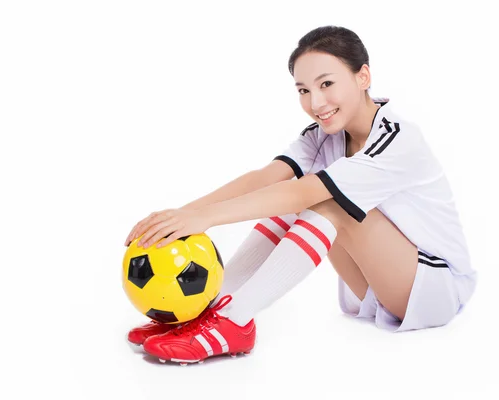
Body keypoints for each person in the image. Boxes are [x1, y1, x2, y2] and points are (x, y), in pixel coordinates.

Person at [124, 25, 478, 365]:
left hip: (434, 286)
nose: (315, 101)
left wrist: (206, 218)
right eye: (303, 90)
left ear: (363, 77)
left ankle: (235, 321)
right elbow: (265, 179)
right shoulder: (322, 134)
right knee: (297, 197)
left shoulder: (398, 138)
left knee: (325, 202)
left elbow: (304, 192)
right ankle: (214, 305)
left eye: (326, 84)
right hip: (376, 281)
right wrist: (181, 214)